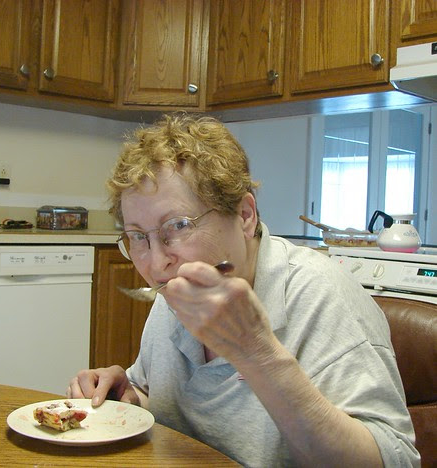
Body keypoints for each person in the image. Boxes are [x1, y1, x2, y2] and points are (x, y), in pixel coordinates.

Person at [67, 114, 419, 467]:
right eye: (138, 237)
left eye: (178, 226)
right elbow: (161, 402)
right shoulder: (179, 288)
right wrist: (130, 397)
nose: (156, 264)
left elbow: (396, 460)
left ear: (245, 216)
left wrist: (257, 352)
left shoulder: (322, 296)